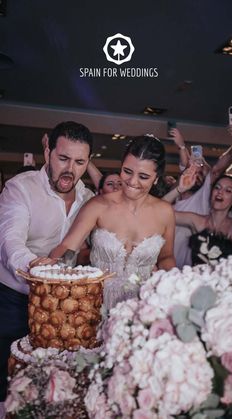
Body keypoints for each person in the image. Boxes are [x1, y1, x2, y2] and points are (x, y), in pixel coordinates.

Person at [0, 121, 94, 409]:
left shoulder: (89, 199)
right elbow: (10, 242)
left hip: (64, 309)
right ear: (47, 151)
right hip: (13, 300)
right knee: (7, 382)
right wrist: (36, 266)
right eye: (63, 158)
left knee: (52, 389)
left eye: (79, 162)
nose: (70, 169)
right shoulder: (20, 188)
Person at [48, 135, 176, 310]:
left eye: (143, 176)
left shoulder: (165, 212)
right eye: (127, 171)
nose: (132, 182)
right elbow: (67, 247)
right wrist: (52, 267)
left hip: (144, 308)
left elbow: (166, 257)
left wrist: (173, 287)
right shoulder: (98, 205)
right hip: (96, 304)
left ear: (156, 178)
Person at [175, 174, 232, 266]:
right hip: (196, 278)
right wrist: (179, 190)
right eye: (217, 187)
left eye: (228, 191)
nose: (220, 192)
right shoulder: (196, 220)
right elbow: (158, 212)